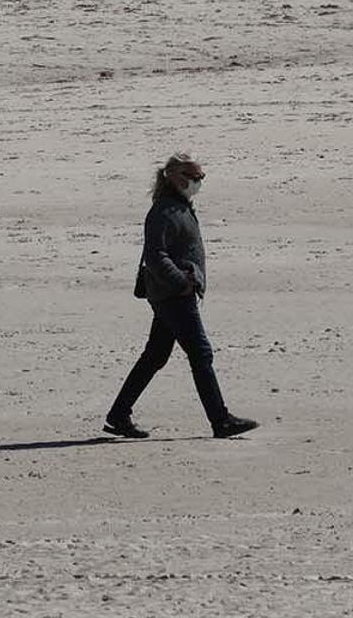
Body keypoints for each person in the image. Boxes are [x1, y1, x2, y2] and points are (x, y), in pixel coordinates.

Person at [104, 154, 259, 440]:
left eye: (202, 178)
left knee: (154, 356)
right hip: (173, 296)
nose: (199, 183)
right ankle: (220, 420)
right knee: (201, 354)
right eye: (196, 177)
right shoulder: (164, 211)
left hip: (172, 294)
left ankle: (118, 415)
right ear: (177, 177)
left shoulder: (180, 206)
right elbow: (155, 255)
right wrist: (182, 283)